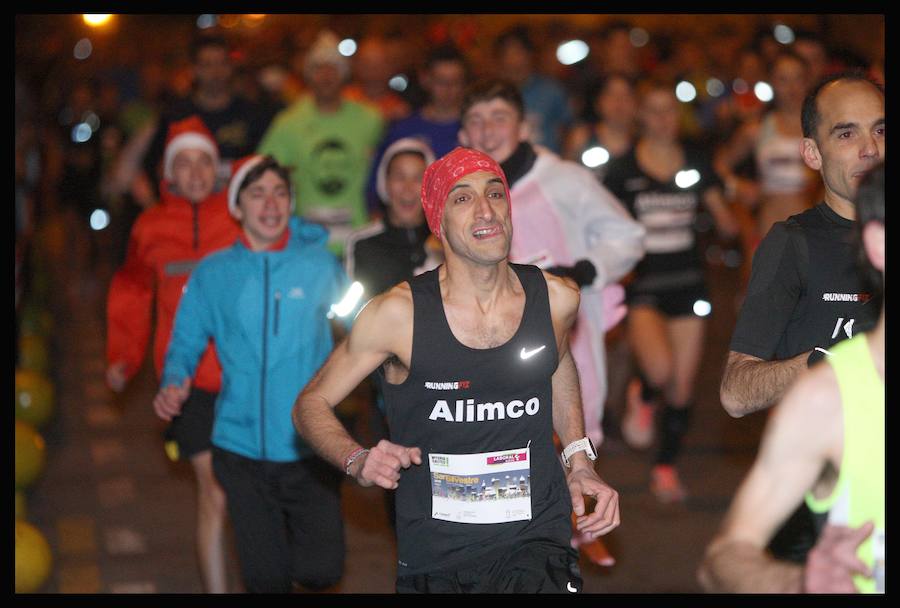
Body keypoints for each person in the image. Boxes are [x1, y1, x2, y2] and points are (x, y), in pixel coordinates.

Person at [293, 146, 620, 593]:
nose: (486, 210)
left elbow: (558, 361)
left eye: (495, 194)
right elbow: (311, 404)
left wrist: (579, 459)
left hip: (536, 537)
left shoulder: (557, 298)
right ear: (438, 222)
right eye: (462, 198)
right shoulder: (396, 315)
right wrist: (358, 460)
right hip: (437, 553)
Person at [154, 155, 350, 593]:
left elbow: (361, 329)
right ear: (237, 206)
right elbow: (185, 341)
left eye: (280, 193)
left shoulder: (320, 267)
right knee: (265, 580)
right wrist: (174, 380)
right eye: (257, 193)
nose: (271, 203)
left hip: (309, 446)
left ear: (291, 203)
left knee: (322, 570)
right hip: (240, 450)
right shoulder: (213, 273)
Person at [718, 72, 883, 563]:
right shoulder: (794, 244)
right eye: (846, 133)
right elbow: (735, 392)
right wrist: (831, 363)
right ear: (812, 154)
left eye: (881, 129)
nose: (869, 148)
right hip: (818, 514)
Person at [105, 116, 241, 593]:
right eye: (183, 163)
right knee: (214, 491)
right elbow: (132, 292)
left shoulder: (240, 215)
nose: (195, 171)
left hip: (244, 378)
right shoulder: (151, 227)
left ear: (218, 168)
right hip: (187, 384)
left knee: (248, 493)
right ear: (168, 174)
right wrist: (124, 355)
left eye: (204, 160)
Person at [603, 77, 740, 503]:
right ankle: (641, 392)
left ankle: (665, 467)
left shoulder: (696, 162)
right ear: (641, 117)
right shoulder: (623, 169)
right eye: (654, 110)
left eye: (670, 111)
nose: (663, 120)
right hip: (644, 286)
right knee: (660, 370)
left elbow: (727, 223)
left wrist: (724, 203)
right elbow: (603, 224)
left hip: (689, 284)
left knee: (682, 387)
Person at [344, 137, 441, 532]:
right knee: (399, 484)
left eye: (418, 178)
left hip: (451, 380)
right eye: (398, 177)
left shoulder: (450, 239)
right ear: (384, 184)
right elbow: (355, 314)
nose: (407, 188)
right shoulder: (363, 243)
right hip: (391, 385)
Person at [258, 29, 384, 256]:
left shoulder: (370, 119)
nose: (326, 75)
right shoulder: (288, 123)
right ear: (308, 74)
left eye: (333, 68)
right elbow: (262, 173)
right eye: (318, 68)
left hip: (359, 242)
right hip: (305, 244)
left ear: (344, 74)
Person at [142, 34, 276, 195]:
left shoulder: (253, 113)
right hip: (188, 208)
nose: (216, 72)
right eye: (207, 65)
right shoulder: (176, 115)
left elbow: (267, 163)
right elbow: (154, 166)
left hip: (240, 206)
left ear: (231, 66)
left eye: (222, 63)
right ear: (194, 70)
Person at [715, 50, 819, 244]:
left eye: (798, 78)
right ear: (771, 82)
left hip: (816, 229)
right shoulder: (757, 128)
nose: (791, 88)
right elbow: (719, 164)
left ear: (808, 81)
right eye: (783, 79)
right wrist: (736, 186)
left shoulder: (824, 127)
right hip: (771, 225)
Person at [365, 43, 469, 214]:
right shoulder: (403, 129)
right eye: (441, 81)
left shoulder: (473, 131)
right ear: (425, 79)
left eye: (456, 81)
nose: (449, 89)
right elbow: (376, 185)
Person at [493, 25, 574, 154]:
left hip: (547, 164)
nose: (514, 60)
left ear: (530, 55)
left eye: (518, 52)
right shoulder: (492, 95)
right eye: (507, 54)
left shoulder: (551, 91)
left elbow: (567, 130)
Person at [563, 72, 638, 183]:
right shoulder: (582, 137)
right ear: (598, 102)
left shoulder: (644, 140)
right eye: (611, 95)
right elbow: (565, 178)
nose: (619, 103)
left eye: (626, 96)